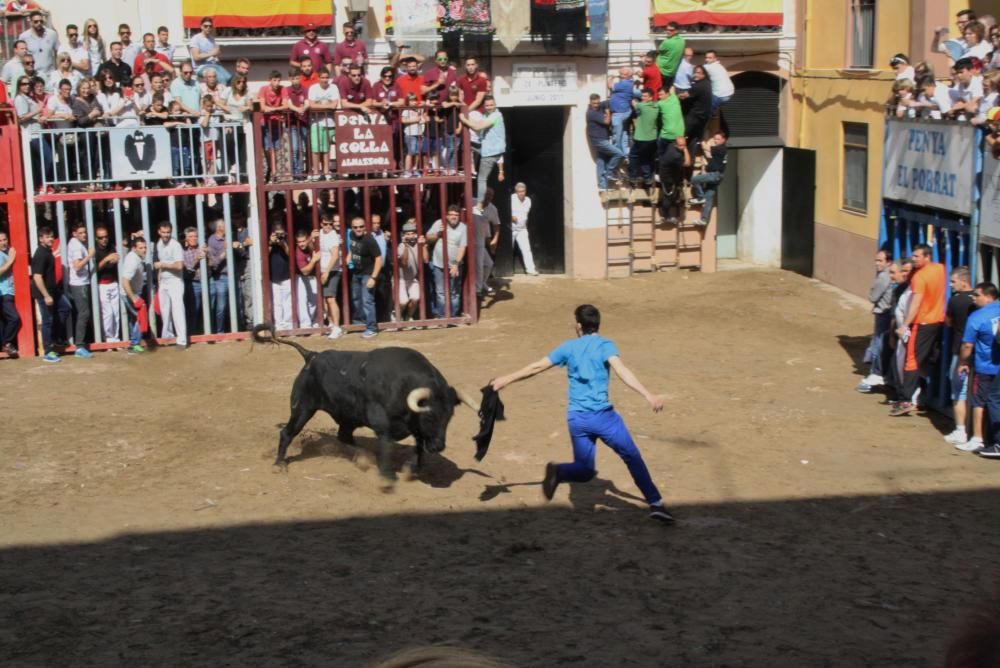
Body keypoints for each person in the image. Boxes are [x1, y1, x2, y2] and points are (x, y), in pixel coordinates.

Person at [490, 304, 673, 524]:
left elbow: (536, 367)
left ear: (578, 325)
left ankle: (559, 471)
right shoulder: (606, 345)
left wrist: (505, 380)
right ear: (597, 324)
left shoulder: (568, 348)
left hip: (577, 419)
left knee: (585, 471)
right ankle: (655, 503)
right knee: (632, 457)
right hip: (604, 419)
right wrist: (648, 395)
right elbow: (622, 370)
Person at [891, 244, 946, 417]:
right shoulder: (940, 269)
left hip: (922, 324)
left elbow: (916, 303)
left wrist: (905, 325)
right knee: (925, 360)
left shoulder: (920, 277)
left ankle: (906, 400)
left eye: (916, 256)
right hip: (937, 322)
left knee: (911, 361)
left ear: (927, 256)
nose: (913, 259)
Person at [959, 283, 1000, 456]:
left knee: (980, 402)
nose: (973, 298)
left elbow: (968, 345)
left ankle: (977, 437)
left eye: (977, 295)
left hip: (986, 366)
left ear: (989, 296)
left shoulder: (977, 317)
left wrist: (963, 362)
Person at [941, 267, 977, 446]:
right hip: (980, 354)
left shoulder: (955, 301)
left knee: (958, 391)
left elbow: (948, 322)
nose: (950, 285)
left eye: (953, 281)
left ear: (964, 281)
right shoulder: (977, 300)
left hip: (960, 352)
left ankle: (961, 430)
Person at [30, 226, 72, 363]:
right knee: (47, 321)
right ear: (41, 239)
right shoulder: (40, 254)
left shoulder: (47, 252)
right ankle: (48, 351)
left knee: (65, 308)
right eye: (47, 237)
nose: (50, 239)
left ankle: (55, 339)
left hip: (53, 291)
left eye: (51, 236)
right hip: (45, 293)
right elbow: (37, 277)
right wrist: (46, 295)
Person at [855, 250, 894, 393]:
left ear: (888, 262)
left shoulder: (884, 276)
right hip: (887, 313)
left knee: (879, 344)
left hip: (883, 314)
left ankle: (876, 374)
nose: (877, 264)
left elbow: (873, 297)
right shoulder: (889, 274)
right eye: (876, 260)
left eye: (880, 261)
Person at [426, 205, 467, 319]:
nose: (454, 217)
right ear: (447, 215)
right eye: (451, 214)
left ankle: (452, 316)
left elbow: (462, 247)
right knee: (440, 291)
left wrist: (456, 264)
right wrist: (438, 234)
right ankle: (442, 316)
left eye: (456, 215)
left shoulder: (463, 228)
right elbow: (428, 238)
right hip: (438, 263)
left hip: (455, 265)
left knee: (454, 292)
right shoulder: (439, 223)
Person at [461, 96, 505, 198]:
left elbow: (477, 127)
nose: (489, 107)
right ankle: (471, 168)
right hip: (484, 146)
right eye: (487, 105)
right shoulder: (485, 115)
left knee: (482, 178)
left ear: (495, 105)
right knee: (468, 146)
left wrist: (463, 119)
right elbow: (477, 125)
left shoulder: (495, 116)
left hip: (490, 149)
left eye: (491, 105)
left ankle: (479, 202)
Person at [347, 216, 382, 338]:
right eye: (355, 227)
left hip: (368, 274)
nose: (358, 229)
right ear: (352, 228)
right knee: (356, 299)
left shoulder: (369, 240)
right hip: (356, 273)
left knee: (367, 301)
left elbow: (378, 259)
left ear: (365, 227)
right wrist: (348, 258)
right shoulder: (351, 235)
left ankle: (372, 328)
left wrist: (373, 277)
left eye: (361, 226)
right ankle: (359, 324)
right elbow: (353, 248)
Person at [154, 222, 187, 349]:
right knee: (164, 310)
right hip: (164, 281)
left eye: (168, 232)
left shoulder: (176, 245)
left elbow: (179, 266)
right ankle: (167, 336)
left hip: (175, 281)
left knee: (177, 310)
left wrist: (162, 265)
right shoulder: (159, 244)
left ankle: (182, 340)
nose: (166, 235)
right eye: (164, 232)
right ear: (159, 232)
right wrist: (159, 279)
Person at [66, 223, 94, 358]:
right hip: (79, 283)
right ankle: (80, 346)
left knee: (83, 313)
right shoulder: (76, 246)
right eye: (81, 232)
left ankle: (81, 344)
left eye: (85, 232)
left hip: (79, 283)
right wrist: (89, 256)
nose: (84, 235)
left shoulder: (74, 243)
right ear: (74, 233)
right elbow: (77, 266)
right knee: (84, 313)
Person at [586, 93, 625, 191]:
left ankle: (603, 185)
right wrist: (608, 112)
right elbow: (607, 122)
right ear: (590, 102)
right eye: (594, 103)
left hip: (602, 138)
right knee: (619, 154)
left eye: (598, 103)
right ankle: (610, 173)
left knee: (601, 161)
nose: (597, 105)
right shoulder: (591, 113)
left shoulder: (599, 106)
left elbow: (607, 102)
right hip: (599, 140)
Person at [688, 131, 728, 227]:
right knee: (709, 198)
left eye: (717, 139)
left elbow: (706, 148)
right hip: (717, 175)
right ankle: (704, 220)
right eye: (714, 139)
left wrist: (701, 140)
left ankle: (700, 197)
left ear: (723, 139)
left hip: (714, 175)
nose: (715, 141)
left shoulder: (721, 148)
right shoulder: (722, 149)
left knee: (694, 179)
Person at [307, 68, 339, 179]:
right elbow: (312, 105)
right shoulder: (313, 88)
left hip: (330, 122)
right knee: (316, 148)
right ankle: (316, 171)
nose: (325, 80)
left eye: (326, 77)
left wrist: (320, 103)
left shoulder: (333, 87)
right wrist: (327, 105)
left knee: (326, 149)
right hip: (316, 122)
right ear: (319, 78)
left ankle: (326, 171)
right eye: (322, 77)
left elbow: (334, 104)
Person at [119, 236, 148, 353]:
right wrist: (134, 298)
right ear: (134, 248)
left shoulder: (135, 257)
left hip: (132, 292)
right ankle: (135, 343)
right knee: (140, 315)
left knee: (134, 318)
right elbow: (125, 281)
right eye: (141, 248)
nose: (144, 250)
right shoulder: (133, 261)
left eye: (145, 247)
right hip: (129, 293)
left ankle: (134, 341)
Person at [318, 210, 343, 339]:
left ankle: (337, 327)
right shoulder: (320, 233)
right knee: (325, 300)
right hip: (323, 270)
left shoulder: (333, 236)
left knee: (331, 299)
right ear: (321, 224)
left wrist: (327, 272)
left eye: (330, 224)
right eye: (325, 224)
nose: (327, 227)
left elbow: (334, 256)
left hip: (332, 271)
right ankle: (332, 323)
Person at [93, 226, 120, 342]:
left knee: (116, 313)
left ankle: (116, 338)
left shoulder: (111, 246)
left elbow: (116, 258)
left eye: (106, 236)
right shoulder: (95, 250)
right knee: (107, 314)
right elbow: (95, 268)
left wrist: (115, 258)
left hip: (113, 282)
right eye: (101, 237)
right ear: (96, 238)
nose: (104, 239)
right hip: (102, 285)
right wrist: (106, 259)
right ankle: (108, 339)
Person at [628, 88, 659, 188]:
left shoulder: (641, 105)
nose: (642, 98)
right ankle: (648, 178)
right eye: (642, 96)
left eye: (645, 96)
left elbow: (633, 102)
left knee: (633, 156)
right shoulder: (656, 106)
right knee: (647, 158)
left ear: (650, 97)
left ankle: (633, 177)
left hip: (641, 138)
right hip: (652, 138)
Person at [473, 189, 500, 297]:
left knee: (488, 264)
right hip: (467, 239)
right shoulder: (473, 201)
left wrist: (495, 239)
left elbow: (496, 225)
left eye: (491, 195)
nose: (489, 197)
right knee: (478, 265)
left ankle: (481, 283)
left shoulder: (493, 209)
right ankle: (477, 290)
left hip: (480, 240)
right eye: (487, 194)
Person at [607, 67, 639, 155]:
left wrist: (611, 77)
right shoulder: (627, 83)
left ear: (629, 75)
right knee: (624, 135)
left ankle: (617, 155)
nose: (621, 76)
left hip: (619, 113)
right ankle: (625, 155)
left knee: (616, 136)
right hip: (623, 111)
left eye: (623, 74)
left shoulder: (625, 84)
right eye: (620, 74)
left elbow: (610, 85)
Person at [267, 218, 292, 331]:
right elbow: (264, 255)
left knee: (288, 301)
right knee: (277, 301)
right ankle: (278, 324)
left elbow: (291, 254)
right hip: (274, 275)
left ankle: (288, 323)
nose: (279, 236)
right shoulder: (269, 240)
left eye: (281, 233)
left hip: (286, 274)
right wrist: (271, 243)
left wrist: (283, 243)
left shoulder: (287, 238)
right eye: (277, 234)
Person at [189, 16, 229, 84]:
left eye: (210, 26)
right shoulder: (196, 39)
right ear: (201, 27)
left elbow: (215, 54)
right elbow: (196, 57)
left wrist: (216, 55)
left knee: (229, 78)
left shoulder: (212, 39)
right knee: (221, 79)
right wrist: (211, 53)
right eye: (206, 26)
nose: (208, 28)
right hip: (201, 67)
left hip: (213, 65)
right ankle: (221, 94)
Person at [205, 219, 229, 333]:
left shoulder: (229, 237)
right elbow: (214, 263)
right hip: (220, 277)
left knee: (235, 305)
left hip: (231, 275)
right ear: (219, 228)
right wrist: (225, 250)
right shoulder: (212, 240)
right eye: (223, 226)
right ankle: (219, 331)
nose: (224, 228)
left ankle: (232, 329)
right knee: (220, 307)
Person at [396, 219, 423, 322]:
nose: (411, 236)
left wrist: (423, 245)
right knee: (403, 302)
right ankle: (397, 315)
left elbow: (425, 260)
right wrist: (406, 246)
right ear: (404, 235)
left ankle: (408, 316)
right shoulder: (401, 246)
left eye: (413, 233)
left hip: (413, 278)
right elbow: (404, 263)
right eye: (408, 234)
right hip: (401, 279)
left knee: (416, 298)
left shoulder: (418, 245)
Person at [182, 226, 207, 334]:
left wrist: (208, 254)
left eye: (195, 236)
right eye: (191, 236)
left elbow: (212, 265)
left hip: (206, 282)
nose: (193, 238)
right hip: (192, 283)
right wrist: (196, 259)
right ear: (186, 239)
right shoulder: (184, 252)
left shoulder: (202, 248)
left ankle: (206, 331)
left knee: (207, 309)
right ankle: (193, 333)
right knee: (193, 310)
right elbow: (187, 271)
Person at [509, 182, 537, 276]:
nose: (521, 193)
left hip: (522, 229)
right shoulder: (511, 198)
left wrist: (525, 221)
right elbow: (505, 211)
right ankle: (506, 271)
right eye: (519, 191)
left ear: (525, 191)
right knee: (509, 249)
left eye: (523, 191)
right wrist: (511, 217)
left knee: (526, 249)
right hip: (511, 229)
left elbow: (526, 213)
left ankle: (531, 270)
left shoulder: (528, 200)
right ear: (516, 191)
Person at [19, 10, 58, 76]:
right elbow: (21, 56)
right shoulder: (24, 37)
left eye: (41, 21)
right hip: (33, 74)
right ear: (31, 22)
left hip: (49, 73)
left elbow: (57, 52)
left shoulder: (52, 34)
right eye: (36, 21)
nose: (39, 23)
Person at [0, 231, 20, 357]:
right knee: (14, 318)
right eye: (0, 241)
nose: (3, 242)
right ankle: (7, 344)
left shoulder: (4, 253)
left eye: (5, 239)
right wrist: (11, 259)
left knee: (3, 321)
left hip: (9, 292)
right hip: (4, 293)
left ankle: (5, 344)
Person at [703, 50, 735, 114]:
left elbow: (696, 71)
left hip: (720, 94)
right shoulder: (720, 66)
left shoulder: (708, 67)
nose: (707, 60)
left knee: (706, 113)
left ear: (715, 58)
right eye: (706, 57)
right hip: (730, 93)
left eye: (710, 58)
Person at [655, 21, 684, 89]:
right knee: (666, 92)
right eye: (667, 29)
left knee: (658, 92)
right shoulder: (682, 41)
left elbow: (658, 50)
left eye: (671, 30)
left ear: (676, 31)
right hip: (671, 73)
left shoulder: (667, 42)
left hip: (661, 71)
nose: (668, 32)